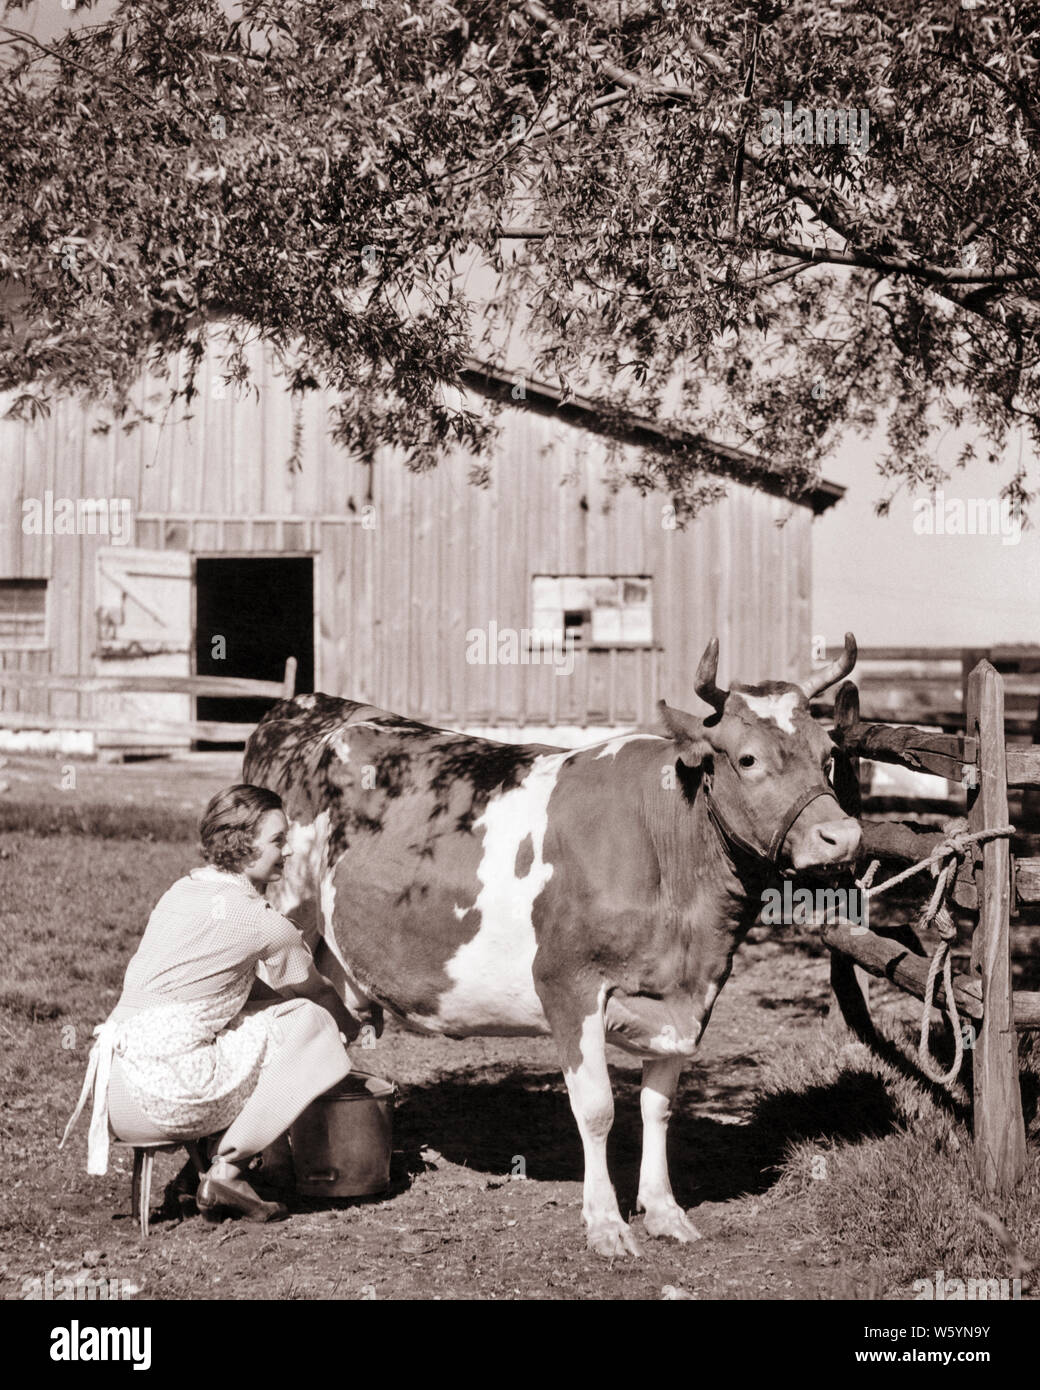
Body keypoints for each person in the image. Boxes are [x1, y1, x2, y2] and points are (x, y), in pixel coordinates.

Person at [61, 783, 356, 1222]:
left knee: (254, 1021)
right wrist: (350, 1027)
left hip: (115, 1091)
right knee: (310, 1023)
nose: (289, 851)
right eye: (278, 840)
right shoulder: (263, 923)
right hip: (165, 1093)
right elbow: (313, 995)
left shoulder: (181, 891)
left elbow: (243, 995)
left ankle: (215, 1164)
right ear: (242, 845)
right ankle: (228, 1168)